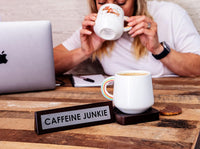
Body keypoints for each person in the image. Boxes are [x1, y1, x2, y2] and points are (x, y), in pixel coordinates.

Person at [54, 0, 200, 77]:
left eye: (121, 2)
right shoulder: (96, 27)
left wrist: (158, 50)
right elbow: (49, 64)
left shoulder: (171, 14)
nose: (110, 9)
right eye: (102, 3)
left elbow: (197, 67)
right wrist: (84, 51)